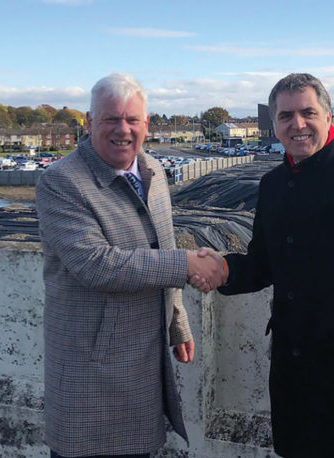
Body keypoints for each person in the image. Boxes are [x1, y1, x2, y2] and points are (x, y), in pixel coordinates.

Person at [198, 73, 334, 457]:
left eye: (308, 113)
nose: (297, 124)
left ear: (328, 116)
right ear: (275, 124)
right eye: (286, 116)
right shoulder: (272, 185)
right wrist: (222, 270)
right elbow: (264, 264)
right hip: (293, 383)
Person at [36, 73, 225, 458]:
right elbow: (95, 264)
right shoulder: (61, 181)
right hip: (90, 369)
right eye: (111, 119)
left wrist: (177, 322)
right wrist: (188, 264)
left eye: (132, 119)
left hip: (143, 357)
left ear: (146, 124)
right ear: (90, 122)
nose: (123, 129)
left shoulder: (152, 169)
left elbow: (163, 242)